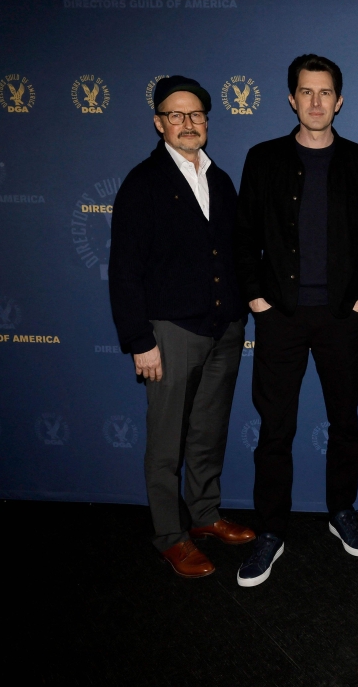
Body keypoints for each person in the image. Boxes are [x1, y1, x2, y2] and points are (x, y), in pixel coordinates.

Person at [234, 55, 358, 587]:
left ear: (339, 101)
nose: (317, 101)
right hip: (280, 317)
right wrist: (256, 299)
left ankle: (341, 511)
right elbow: (242, 237)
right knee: (275, 429)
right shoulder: (263, 159)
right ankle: (270, 532)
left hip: (343, 318)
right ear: (292, 99)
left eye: (326, 92)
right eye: (306, 91)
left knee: (346, 423)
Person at [109, 76, 254, 578]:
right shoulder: (143, 183)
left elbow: (235, 252)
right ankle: (170, 536)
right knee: (167, 440)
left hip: (225, 328)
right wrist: (140, 341)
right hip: (170, 332)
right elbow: (124, 268)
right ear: (159, 123)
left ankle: (206, 515)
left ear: (206, 123)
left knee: (208, 432)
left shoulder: (219, 178)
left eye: (196, 115)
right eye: (176, 115)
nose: (188, 124)